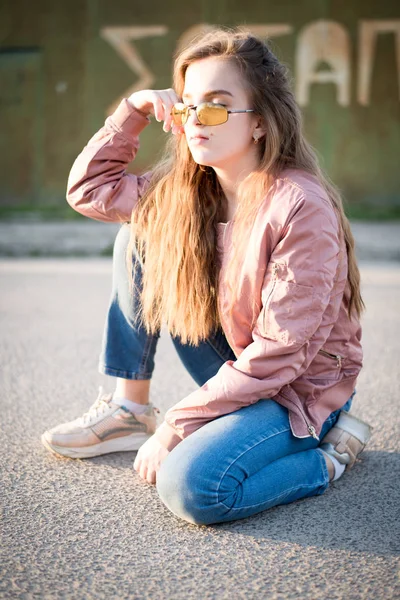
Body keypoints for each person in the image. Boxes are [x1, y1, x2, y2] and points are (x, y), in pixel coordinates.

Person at [41, 27, 373, 526]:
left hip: (296, 387)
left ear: (259, 122)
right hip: (238, 358)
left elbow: (280, 356)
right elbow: (90, 190)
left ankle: (330, 455)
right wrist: (131, 111)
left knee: (192, 486)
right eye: (187, 107)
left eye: (216, 106)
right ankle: (130, 410)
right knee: (140, 234)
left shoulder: (299, 206)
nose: (196, 121)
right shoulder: (188, 189)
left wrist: (179, 423)